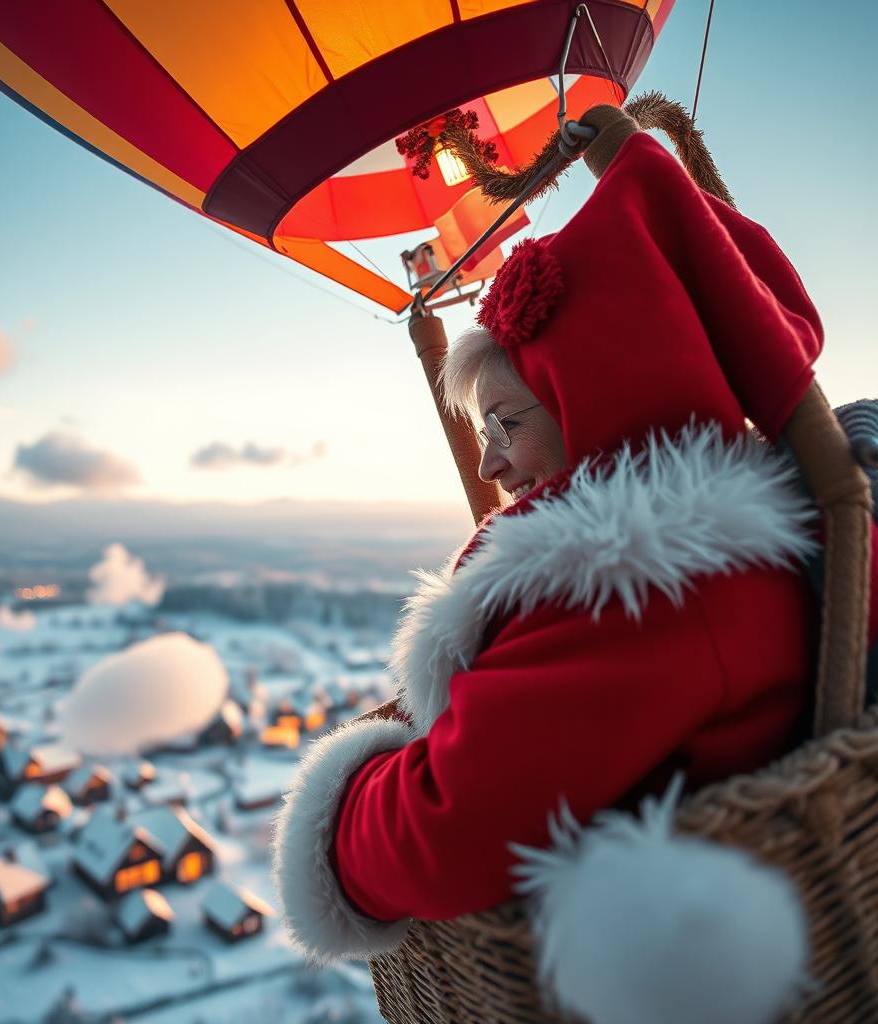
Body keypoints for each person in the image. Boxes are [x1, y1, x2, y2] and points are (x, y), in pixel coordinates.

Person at [271, 128, 878, 965]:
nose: (488, 462)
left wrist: (343, 806)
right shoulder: (715, 565)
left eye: (505, 424)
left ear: (594, 389)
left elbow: (446, 828)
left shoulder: (645, 589)